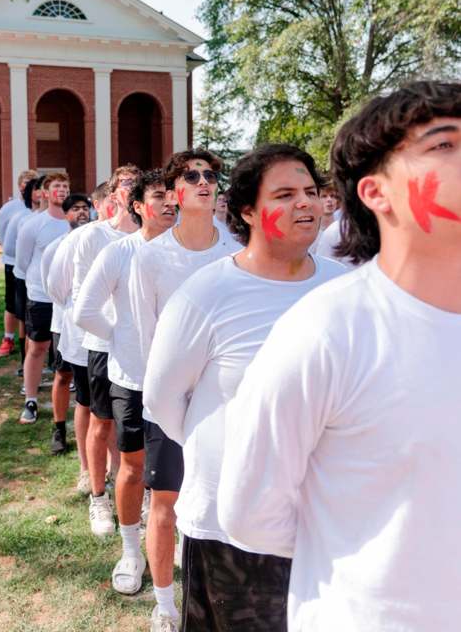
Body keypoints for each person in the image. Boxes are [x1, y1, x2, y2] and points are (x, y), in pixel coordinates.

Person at [217, 81, 461, 632]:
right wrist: (356, 546)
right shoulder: (327, 330)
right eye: (444, 145)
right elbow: (251, 513)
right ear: (377, 193)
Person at [144, 145, 346, 631]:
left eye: (311, 192)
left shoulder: (345, 290)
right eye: (285, 194)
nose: (305, 204)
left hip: (323, 521)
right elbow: (163, 399)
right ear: (248, 211)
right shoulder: (207, 293)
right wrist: (232, 447)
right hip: (226, 527)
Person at [129, 148, 241, 632]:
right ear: (174, 192)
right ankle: (165, 604)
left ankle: (223, 594)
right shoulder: (150, 258)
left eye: (210, 175)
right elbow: (144, 339)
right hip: (168, 404)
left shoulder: (238, 250)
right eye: (192, 176)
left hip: (225, 406)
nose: (203, 181)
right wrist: (169, 405)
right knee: (167, 505)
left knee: (225, 503)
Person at [74, 170, 177, 596]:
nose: (171, 204)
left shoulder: (190, 252)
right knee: (133, 468)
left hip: (178, 384)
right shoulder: (119, 252)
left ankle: (176, 542)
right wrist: (120, 337)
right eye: (160, 197)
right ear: (137, 206)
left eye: (174, 197)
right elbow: (85, 309)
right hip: (130, 379)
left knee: (173, 475)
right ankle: (131, 550)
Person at [72, 165, 141, 537]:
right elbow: (83, 299)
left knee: (139, 426)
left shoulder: (154, 237)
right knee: (102, 422)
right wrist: (116, 333)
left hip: (142, 349)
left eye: (137, 184)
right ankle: (98, 497)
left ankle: (140, 494)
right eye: (125, 185)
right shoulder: (92, 237)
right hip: (102, 344)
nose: (131, 190)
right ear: (112, 194)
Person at [45, 194, 93, 493]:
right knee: (64, 376)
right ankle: (59, 427)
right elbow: (54, 288)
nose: (82, 212)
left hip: (90, 329)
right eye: (76, 209)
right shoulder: (57, 247)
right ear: (66, 216)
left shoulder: (100, 242)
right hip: (63, 323)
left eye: (86, 207)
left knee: (88, 390)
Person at [15, 172, 70, 424]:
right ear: (45, 194)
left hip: (69, 300)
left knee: (69, 350)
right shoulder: (33, 225)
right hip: (40, 297)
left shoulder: (77, 222)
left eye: (65, 185)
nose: (62, 189)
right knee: (37, 348)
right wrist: (39, 285)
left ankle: (72, 390)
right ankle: (31, 400)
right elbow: (22, 263)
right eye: (56, 186)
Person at [0, 169, 38, 356]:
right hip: (13, 262)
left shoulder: (41, 208)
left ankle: (35, 339)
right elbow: (4, 237)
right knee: (12, 303)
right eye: (26, 182)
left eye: (33, 182)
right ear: (20, 185)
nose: (29, 186)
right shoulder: (9, 209)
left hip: (36, 264)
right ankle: (8, 338)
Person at [3, 177, 44, 369]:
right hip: (24, 276)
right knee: (24, 318)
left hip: (48, 281)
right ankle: (25, 360)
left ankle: (53, 361)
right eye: (37, 189)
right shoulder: (22, 218)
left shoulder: (60, 218)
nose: (40, 193)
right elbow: (10, 247)